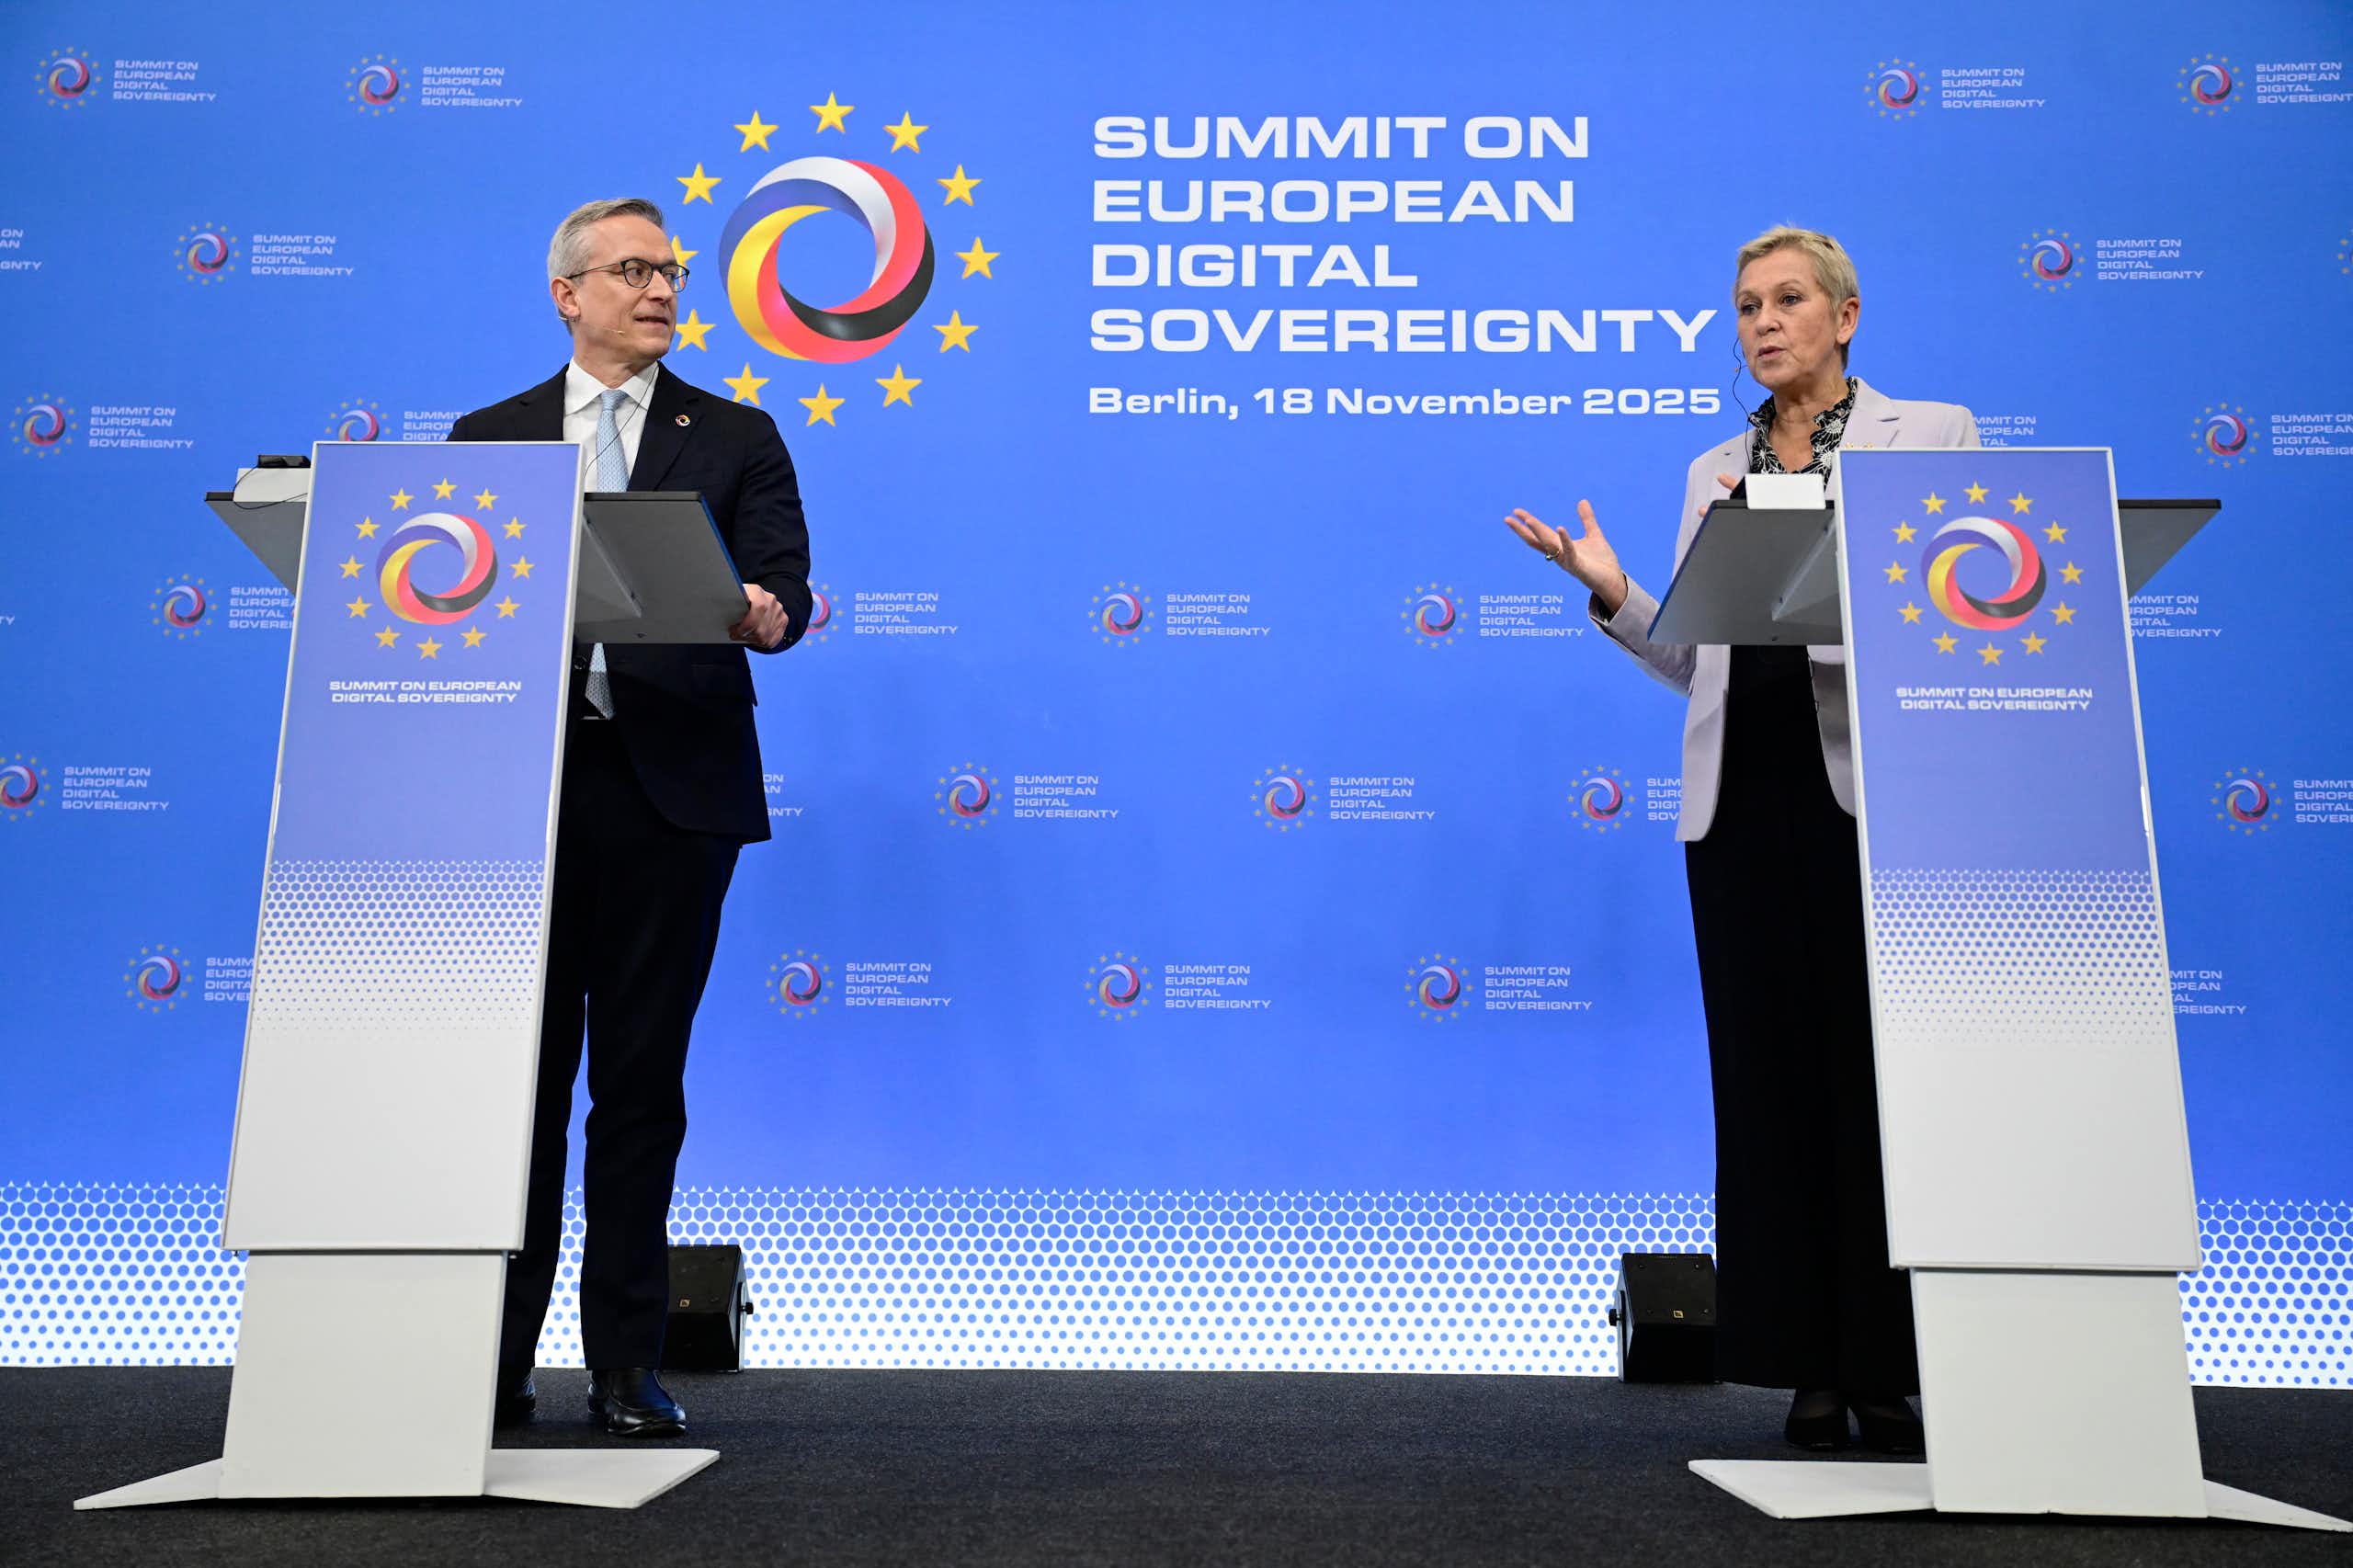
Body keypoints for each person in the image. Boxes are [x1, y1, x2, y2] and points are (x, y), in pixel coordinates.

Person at [1504, 226, 1977, 1453]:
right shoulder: (1712, 465)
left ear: (1846, 314)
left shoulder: (1931, 436)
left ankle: (1893, 1364)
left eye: (1788, 300)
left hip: (1874, 800)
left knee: (1880, 1088)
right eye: (1747, 305)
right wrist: (1611, 591)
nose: (1764, 322)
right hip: (1740, 803)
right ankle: (1807, 1368)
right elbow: (1692, 656)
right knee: (1767, 1087)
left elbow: (1957, 615)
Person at [450, 197, 812, 1437]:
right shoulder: (487, 439)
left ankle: (622, 1364)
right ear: (569, 293)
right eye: (633, 270)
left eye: (670, 270)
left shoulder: (737, 433)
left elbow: (785, 583)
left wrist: (768, 610)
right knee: (518, 1093)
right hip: (520, 795)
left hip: (674, 797)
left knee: (640, 1088)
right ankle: (489, 1362)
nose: (660, 289)